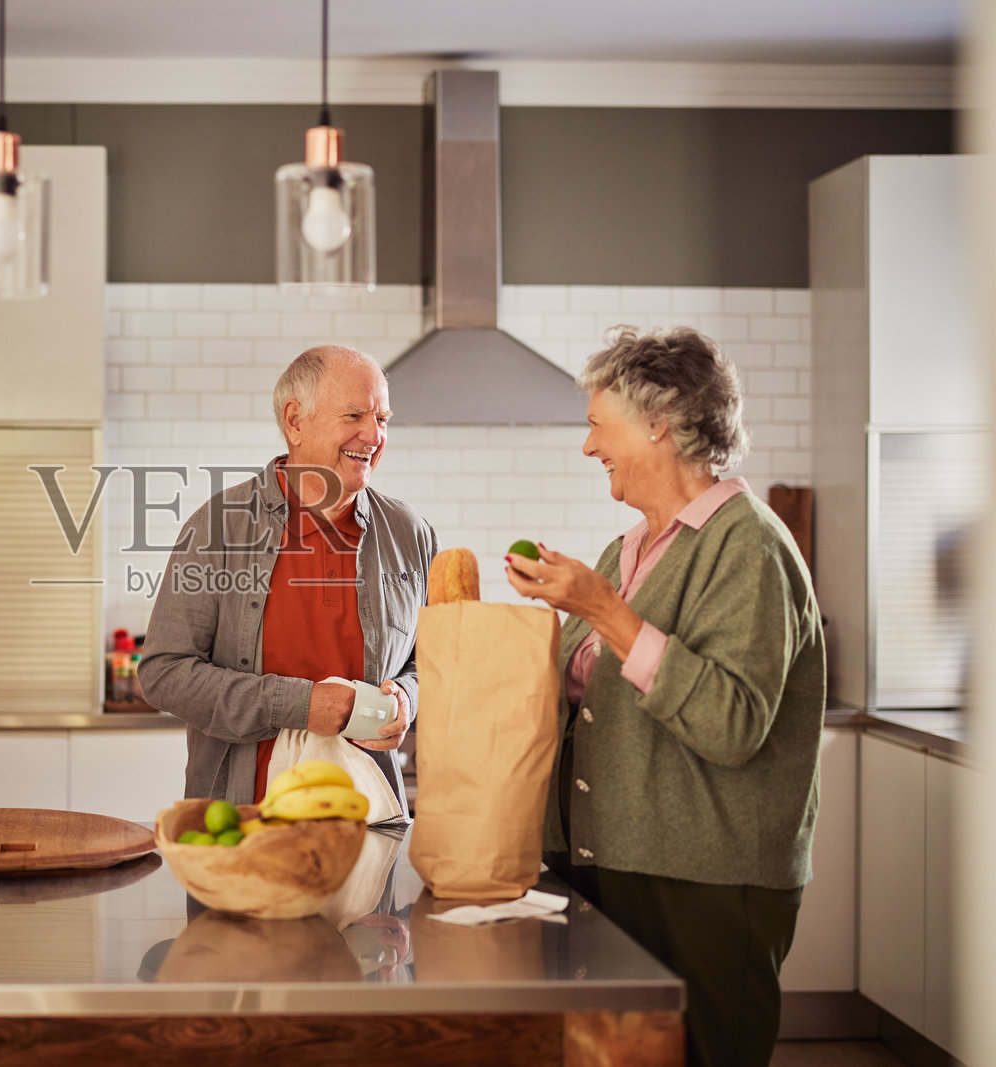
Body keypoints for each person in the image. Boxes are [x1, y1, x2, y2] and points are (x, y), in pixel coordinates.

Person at [505, 326, 824, 1067]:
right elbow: (588, 700)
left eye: (596, 422)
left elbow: (732, 722)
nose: (589, 447)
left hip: (704, 882)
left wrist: (605, 612)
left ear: (657, 420)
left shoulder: (751, 546)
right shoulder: (629, 550)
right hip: (605, 864)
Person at [140, 345, 437, 811]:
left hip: (369, 821)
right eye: (355, 415)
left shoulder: (408, 532)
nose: (373, 435)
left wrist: (408, 696)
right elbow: (164, 673)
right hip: (241, 824)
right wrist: (299, 705)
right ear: (295, 421)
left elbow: (435, 662)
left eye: (383, 419)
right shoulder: (219, 527)